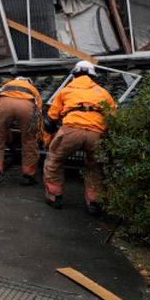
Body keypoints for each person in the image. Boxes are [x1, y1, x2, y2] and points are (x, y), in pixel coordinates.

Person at [42, 60, 117, 215]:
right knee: (95, 166)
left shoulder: (66, 90)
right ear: (92, 76)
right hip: (96, 133)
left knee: (54, 160)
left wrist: (51, 135)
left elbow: (50, 120)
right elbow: (113, 120)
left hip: (71, 130)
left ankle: (55, 197)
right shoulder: (103, 93)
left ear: (75, 74)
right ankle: (95, 202)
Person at [0, 76, 43, 186]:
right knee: (29, 141)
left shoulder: (6, 85)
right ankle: (28, 175)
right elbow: (38, 111)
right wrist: (37, 132)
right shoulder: (32, 88)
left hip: (4, 104)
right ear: (28, 81)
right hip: (26, 106)